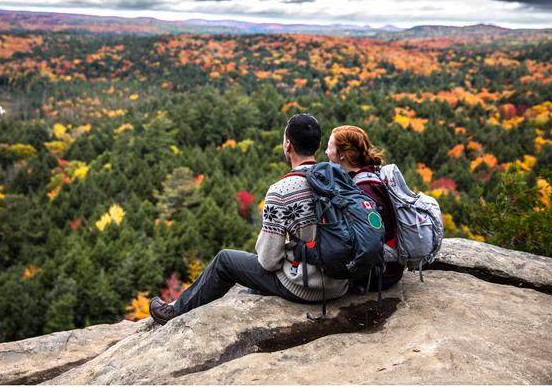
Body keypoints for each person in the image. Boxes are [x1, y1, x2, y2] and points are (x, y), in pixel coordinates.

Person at [149, 114, 349, 325]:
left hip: (306, 287)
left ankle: (175, 312)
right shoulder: (339, 178)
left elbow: (269, 261)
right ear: (318, 145)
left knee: (225, 260)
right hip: (341, 282)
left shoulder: (281, 191)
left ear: (288, 145)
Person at [325, 125, 404, 290]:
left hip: (379, 275)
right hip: (391, 268)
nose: (326, 152)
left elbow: (369, 241)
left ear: (342, 155)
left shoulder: (362, 190)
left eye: (329, 147)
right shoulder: (372, 176)